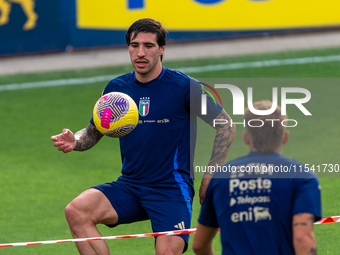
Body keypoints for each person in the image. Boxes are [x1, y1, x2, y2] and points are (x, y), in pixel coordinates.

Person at [51, 18, 236, 255]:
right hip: (130, 185)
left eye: (148, 46)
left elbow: (226, 125)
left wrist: (210, 174)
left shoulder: (184, 87)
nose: (140, 52)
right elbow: (92, 132)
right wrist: (74, 140)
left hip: (171, 190)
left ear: (162, 49)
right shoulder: (116, 89)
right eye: (134, 45)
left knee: (166, 252)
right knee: (76, 211)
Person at [192, 100, 321, 255]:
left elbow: (199, 245)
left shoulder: (221, 178)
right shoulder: (302, 177)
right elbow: (302, 238)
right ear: (285, 137)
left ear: (246, 137)